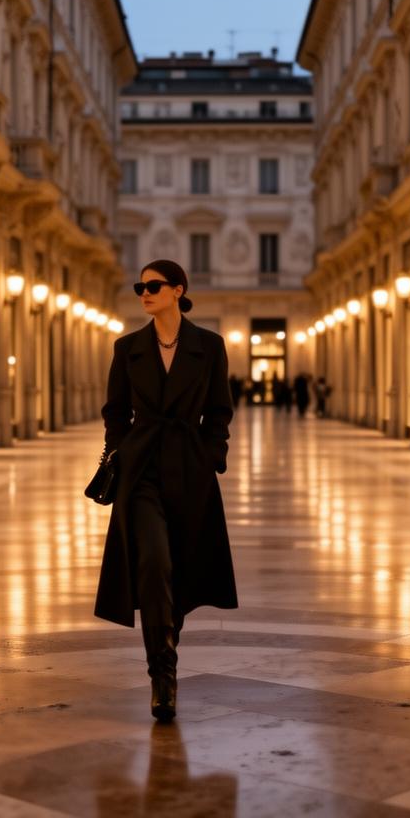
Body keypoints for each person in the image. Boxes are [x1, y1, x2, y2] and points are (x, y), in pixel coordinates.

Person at [96, 259, 237, 722]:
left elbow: (220, 410)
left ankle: (166, 643)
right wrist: (121, 452)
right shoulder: (128, 347)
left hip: (190, 471)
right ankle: (163, 674)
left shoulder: (209, 346)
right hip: (141, 472)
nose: (144, 292)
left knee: (178, 570)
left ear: (178, 290)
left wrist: (211, 455)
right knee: (153, 562)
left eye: (154, 286)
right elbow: (115, 411)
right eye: (140, 286)